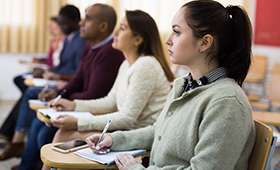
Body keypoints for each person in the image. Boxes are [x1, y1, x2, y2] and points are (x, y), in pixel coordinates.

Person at [85, 1, 256, 169]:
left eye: (176, 32)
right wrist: (115, 140)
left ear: (204, 43)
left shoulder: (227, 102)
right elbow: (159, 132)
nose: (168, 40)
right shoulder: (184, 85)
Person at [42, 8, 174, 170]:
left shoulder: (146, 65)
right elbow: (110, 102)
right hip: (126, 132)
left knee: (64, 134)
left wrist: (78, 121)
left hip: (140, 141)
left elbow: (127, 118)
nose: (116, 32)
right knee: (63, 134)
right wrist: (73, 105)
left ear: (138, 39)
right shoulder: (127, 64)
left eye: (123, 28)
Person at [13, 3, 125, 170]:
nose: (81, 23)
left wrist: (66, 100)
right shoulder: (90, 45)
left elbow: (94, 95)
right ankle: (27, 165)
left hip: (94, 111)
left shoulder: (110, 53)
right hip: (83, 104)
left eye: (87, 19)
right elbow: (78, 78)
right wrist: (57, 94)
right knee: (38, 123)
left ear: (103, 26)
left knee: (45, 133)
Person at [0, 4, 87, 160]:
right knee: (27, 90)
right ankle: (14, 137)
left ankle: (15, 139)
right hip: (60, 80)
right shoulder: (69, 39)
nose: (62, 27)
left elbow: (76, 73)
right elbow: (61, 65)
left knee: (30, 93)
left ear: (77, 21)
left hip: (66, 83)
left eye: (65, 23)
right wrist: (51, 73)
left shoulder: (80, 41)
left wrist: (57, 77)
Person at [0, 17, 65, 144]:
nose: (50, 29)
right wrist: (40, 61)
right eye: (49, 27)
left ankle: (13, 133)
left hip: (56, 77)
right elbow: (51, 62)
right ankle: (15, 128)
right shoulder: (55, 41)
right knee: (20, 81)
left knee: (28, 91)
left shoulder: (66, 42)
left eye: (53, 26)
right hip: (52, 74)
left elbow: (58, 65)